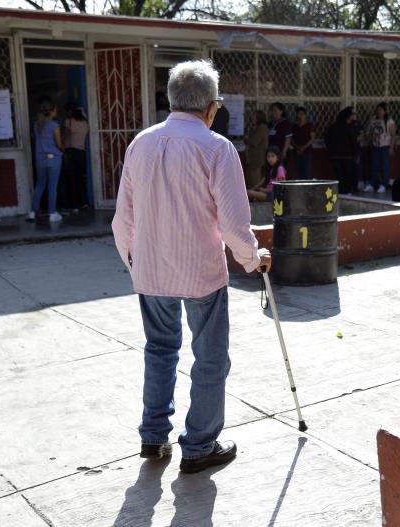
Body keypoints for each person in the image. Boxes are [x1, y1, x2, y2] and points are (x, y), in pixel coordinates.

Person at [111, 60, 271, 474]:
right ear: (212, 106)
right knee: (210, 357)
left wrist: (133, 259)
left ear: (171, 100)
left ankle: (153, 436)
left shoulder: (140, 143)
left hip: (150, 272)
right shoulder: (217, 148)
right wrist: (254, 258)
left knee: (160, 350)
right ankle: (199, 445)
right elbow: (234, 224)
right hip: (200, 271)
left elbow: (122, 218)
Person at [28, 98, 64, 223]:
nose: (56, 111)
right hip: (53, 158)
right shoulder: (55, 125)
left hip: (40, 159)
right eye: (55, 109)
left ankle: (32, 212)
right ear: (52, 111)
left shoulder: (37, 125)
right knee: (52, 186)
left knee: (40, 185)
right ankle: (52, 213)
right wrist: (62, 150)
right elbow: (59, 143)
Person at [62, 105, 90, 212]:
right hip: (81, 153)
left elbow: (64, 136)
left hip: (71, 152)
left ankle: (74, 205)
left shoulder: (69, 122)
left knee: (71, 179)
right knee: (81, 179)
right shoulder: (85, 124)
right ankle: (84, 202)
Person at [325, 106, 359, 195]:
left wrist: (331, 151)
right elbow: (353, 141)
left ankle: (340, 192)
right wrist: (356, 153)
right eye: (353, 114)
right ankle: (347, 192)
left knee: (339, 176)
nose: (354, 116)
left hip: (334, 156)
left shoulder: (333, 126)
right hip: (347, 156)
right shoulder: (349, 127)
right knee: (347, 175)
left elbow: (327, 140)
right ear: (348, 116)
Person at [364, 102, 396, 193]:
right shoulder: (373, 120)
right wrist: (368, 142)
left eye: (381, 110)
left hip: (385, 146)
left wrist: (391, 148)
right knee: (374, 166)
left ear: (385, 111)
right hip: (375, 146)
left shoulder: (389, 121)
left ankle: (383, 184)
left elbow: (393, 135)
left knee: (384, 166)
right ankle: (372, 184)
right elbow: (369, 132)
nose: (379, 112)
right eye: (377, 110)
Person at [243, 110, 269, 189]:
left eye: (254, 116)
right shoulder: (255, 127)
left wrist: (246, 139)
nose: (252, 118)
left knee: (255, 180)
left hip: (258, 159)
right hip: (252, 159)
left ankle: (257, 197)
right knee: (250, 179)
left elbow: (254, 141)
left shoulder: (262, 127)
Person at [292, 107, 315, 180]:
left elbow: (312, 138)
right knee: (298, 172)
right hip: (297, 152)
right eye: (299, 114)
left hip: (307, 152)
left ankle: (307, 190)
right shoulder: (294, 126)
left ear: (305, 115)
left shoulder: (309, 125)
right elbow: (292, 139)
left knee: (307, 172)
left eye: (302, 114)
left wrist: (303, 147)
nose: (300, 116)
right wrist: (297, 147)